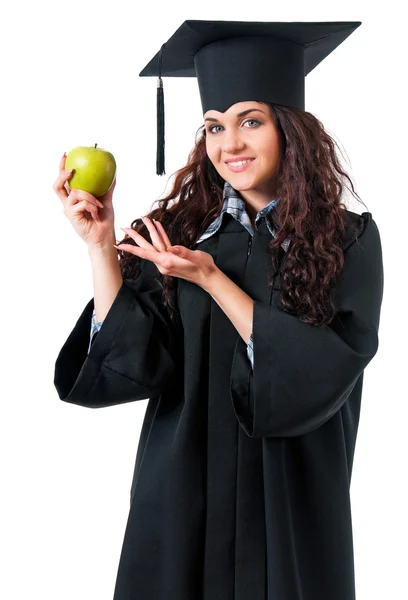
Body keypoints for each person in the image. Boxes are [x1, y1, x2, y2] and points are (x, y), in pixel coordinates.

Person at [53, 20, 384, 600]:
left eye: (250, 122)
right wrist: (101, 246)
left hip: (290, 501)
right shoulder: (181, 234)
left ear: (290, 128)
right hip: (181, 497)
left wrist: (212, 281)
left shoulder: (347, 240)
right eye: (214, 126)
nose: (229, 144)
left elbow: (325, 370)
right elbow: (135, 362)